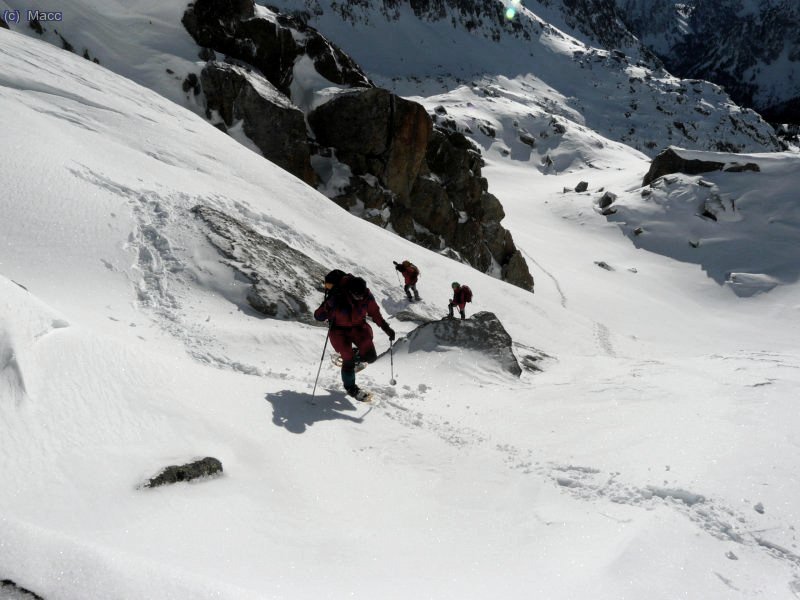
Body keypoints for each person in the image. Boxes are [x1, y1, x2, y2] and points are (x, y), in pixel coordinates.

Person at [315, 273, 395, 401]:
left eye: (362, 295)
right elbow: (318, 316)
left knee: (371, 357)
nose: (360, 298)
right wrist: (328, 305)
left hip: (358, 328)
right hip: (339, 331)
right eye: (357, 295)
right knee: (348, 360)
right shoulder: (337, 297)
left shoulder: (366, 296)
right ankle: (350, 387)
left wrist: (387, 328)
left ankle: (354, 357)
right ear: (349, 291)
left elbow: (375, 313)